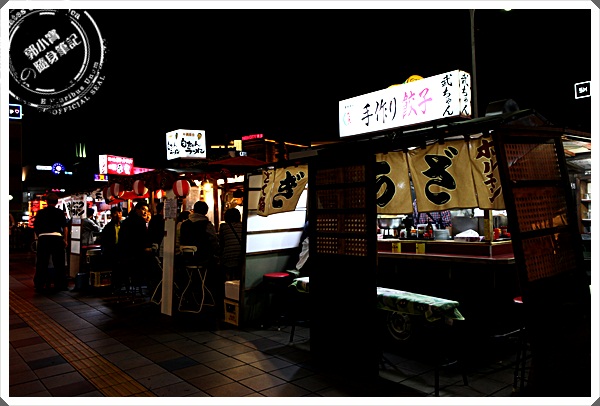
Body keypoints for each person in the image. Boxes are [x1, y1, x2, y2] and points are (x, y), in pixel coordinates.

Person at [117, 201, 156, 293]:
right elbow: (143, 238)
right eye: (143, 209)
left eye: (146, 210)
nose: (145, 212)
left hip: (125, 254)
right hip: (135, 255)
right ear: (137, 209)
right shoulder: (139, 221)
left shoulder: (126, 221)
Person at [33, 193, 69, 292]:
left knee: (41, 262)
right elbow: (65, 227)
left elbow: (36, 227)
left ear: (46, 201)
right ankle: (60, 284)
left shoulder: (40, 212)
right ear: (56, 202)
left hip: (43, 238)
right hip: (56, 237)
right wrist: (65, 240)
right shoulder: (60, 212)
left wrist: (39, 236)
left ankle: (39, 284)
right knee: (59, 262)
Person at [218, 208, 244, 281]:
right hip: (241, 256)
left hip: (228, 257)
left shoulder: (223, 226)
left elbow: (221, 243)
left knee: (228, 274)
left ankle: (229, 284)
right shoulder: (243, 225)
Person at [101, 205, 122, 270]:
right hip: (112, 253)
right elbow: (104, 241)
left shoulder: (124, 225)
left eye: (119, 213)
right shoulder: (108, 227)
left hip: (122, 252)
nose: (118, 215)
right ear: (111, 215)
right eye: (115, 213)